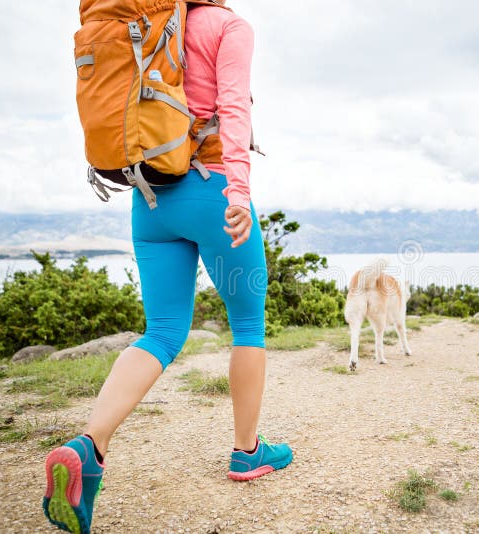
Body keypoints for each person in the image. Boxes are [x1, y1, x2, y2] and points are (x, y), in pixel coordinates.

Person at [42, 2, 292, 532]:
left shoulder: (158, 22)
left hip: (150, 197)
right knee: (247, 324)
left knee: (161, 332)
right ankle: (248, 452)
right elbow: (234, 108)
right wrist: (240, 194)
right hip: (213, 192)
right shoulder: (228, 26)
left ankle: (90, 447)